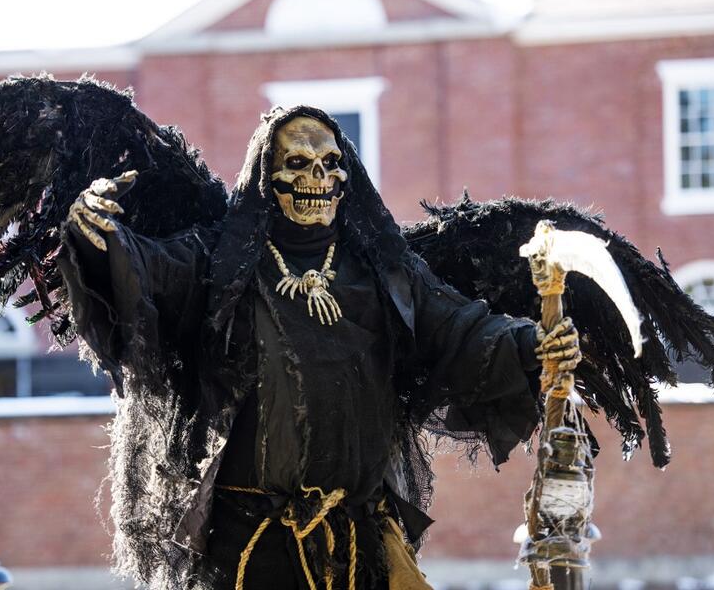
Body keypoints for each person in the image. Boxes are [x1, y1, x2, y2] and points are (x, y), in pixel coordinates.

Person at [58, 107, 581, 590]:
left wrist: (533, 343)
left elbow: (459, 327)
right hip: (250, 549)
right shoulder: (218, 263)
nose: (318, 179)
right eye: (298, 164)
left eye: (331, 165)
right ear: (269, 178)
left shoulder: (383, 270)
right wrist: (94, 234)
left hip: (359, 543)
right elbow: (141, 273)